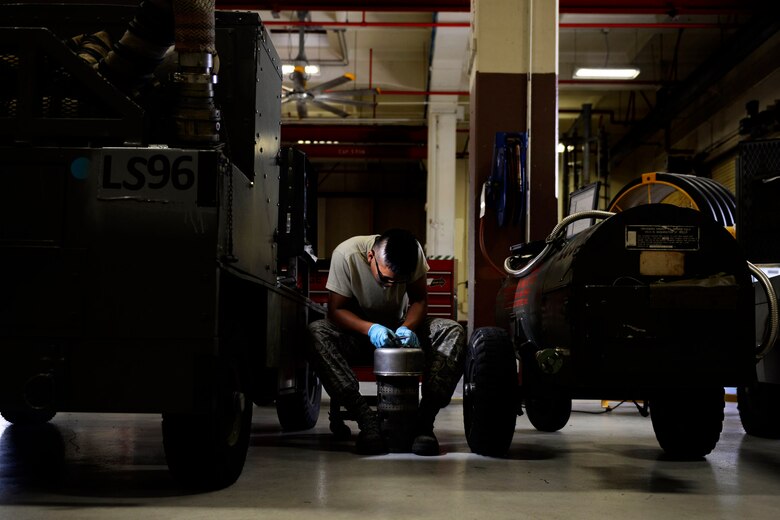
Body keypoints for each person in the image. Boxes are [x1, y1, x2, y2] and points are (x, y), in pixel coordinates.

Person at [307, 229, 466, 456]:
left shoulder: (414, 253)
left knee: (452, 331)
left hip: (400, 327)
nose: (391, 285)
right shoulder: (346, 255)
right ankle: (367, 420)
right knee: (317, 333)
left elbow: (420, 299)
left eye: (399, 281)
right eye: (385, 279)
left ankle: (423, 422)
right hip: (358, 333)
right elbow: (336, 310)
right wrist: (370, 329)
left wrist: (407, 327)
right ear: (370, 257)